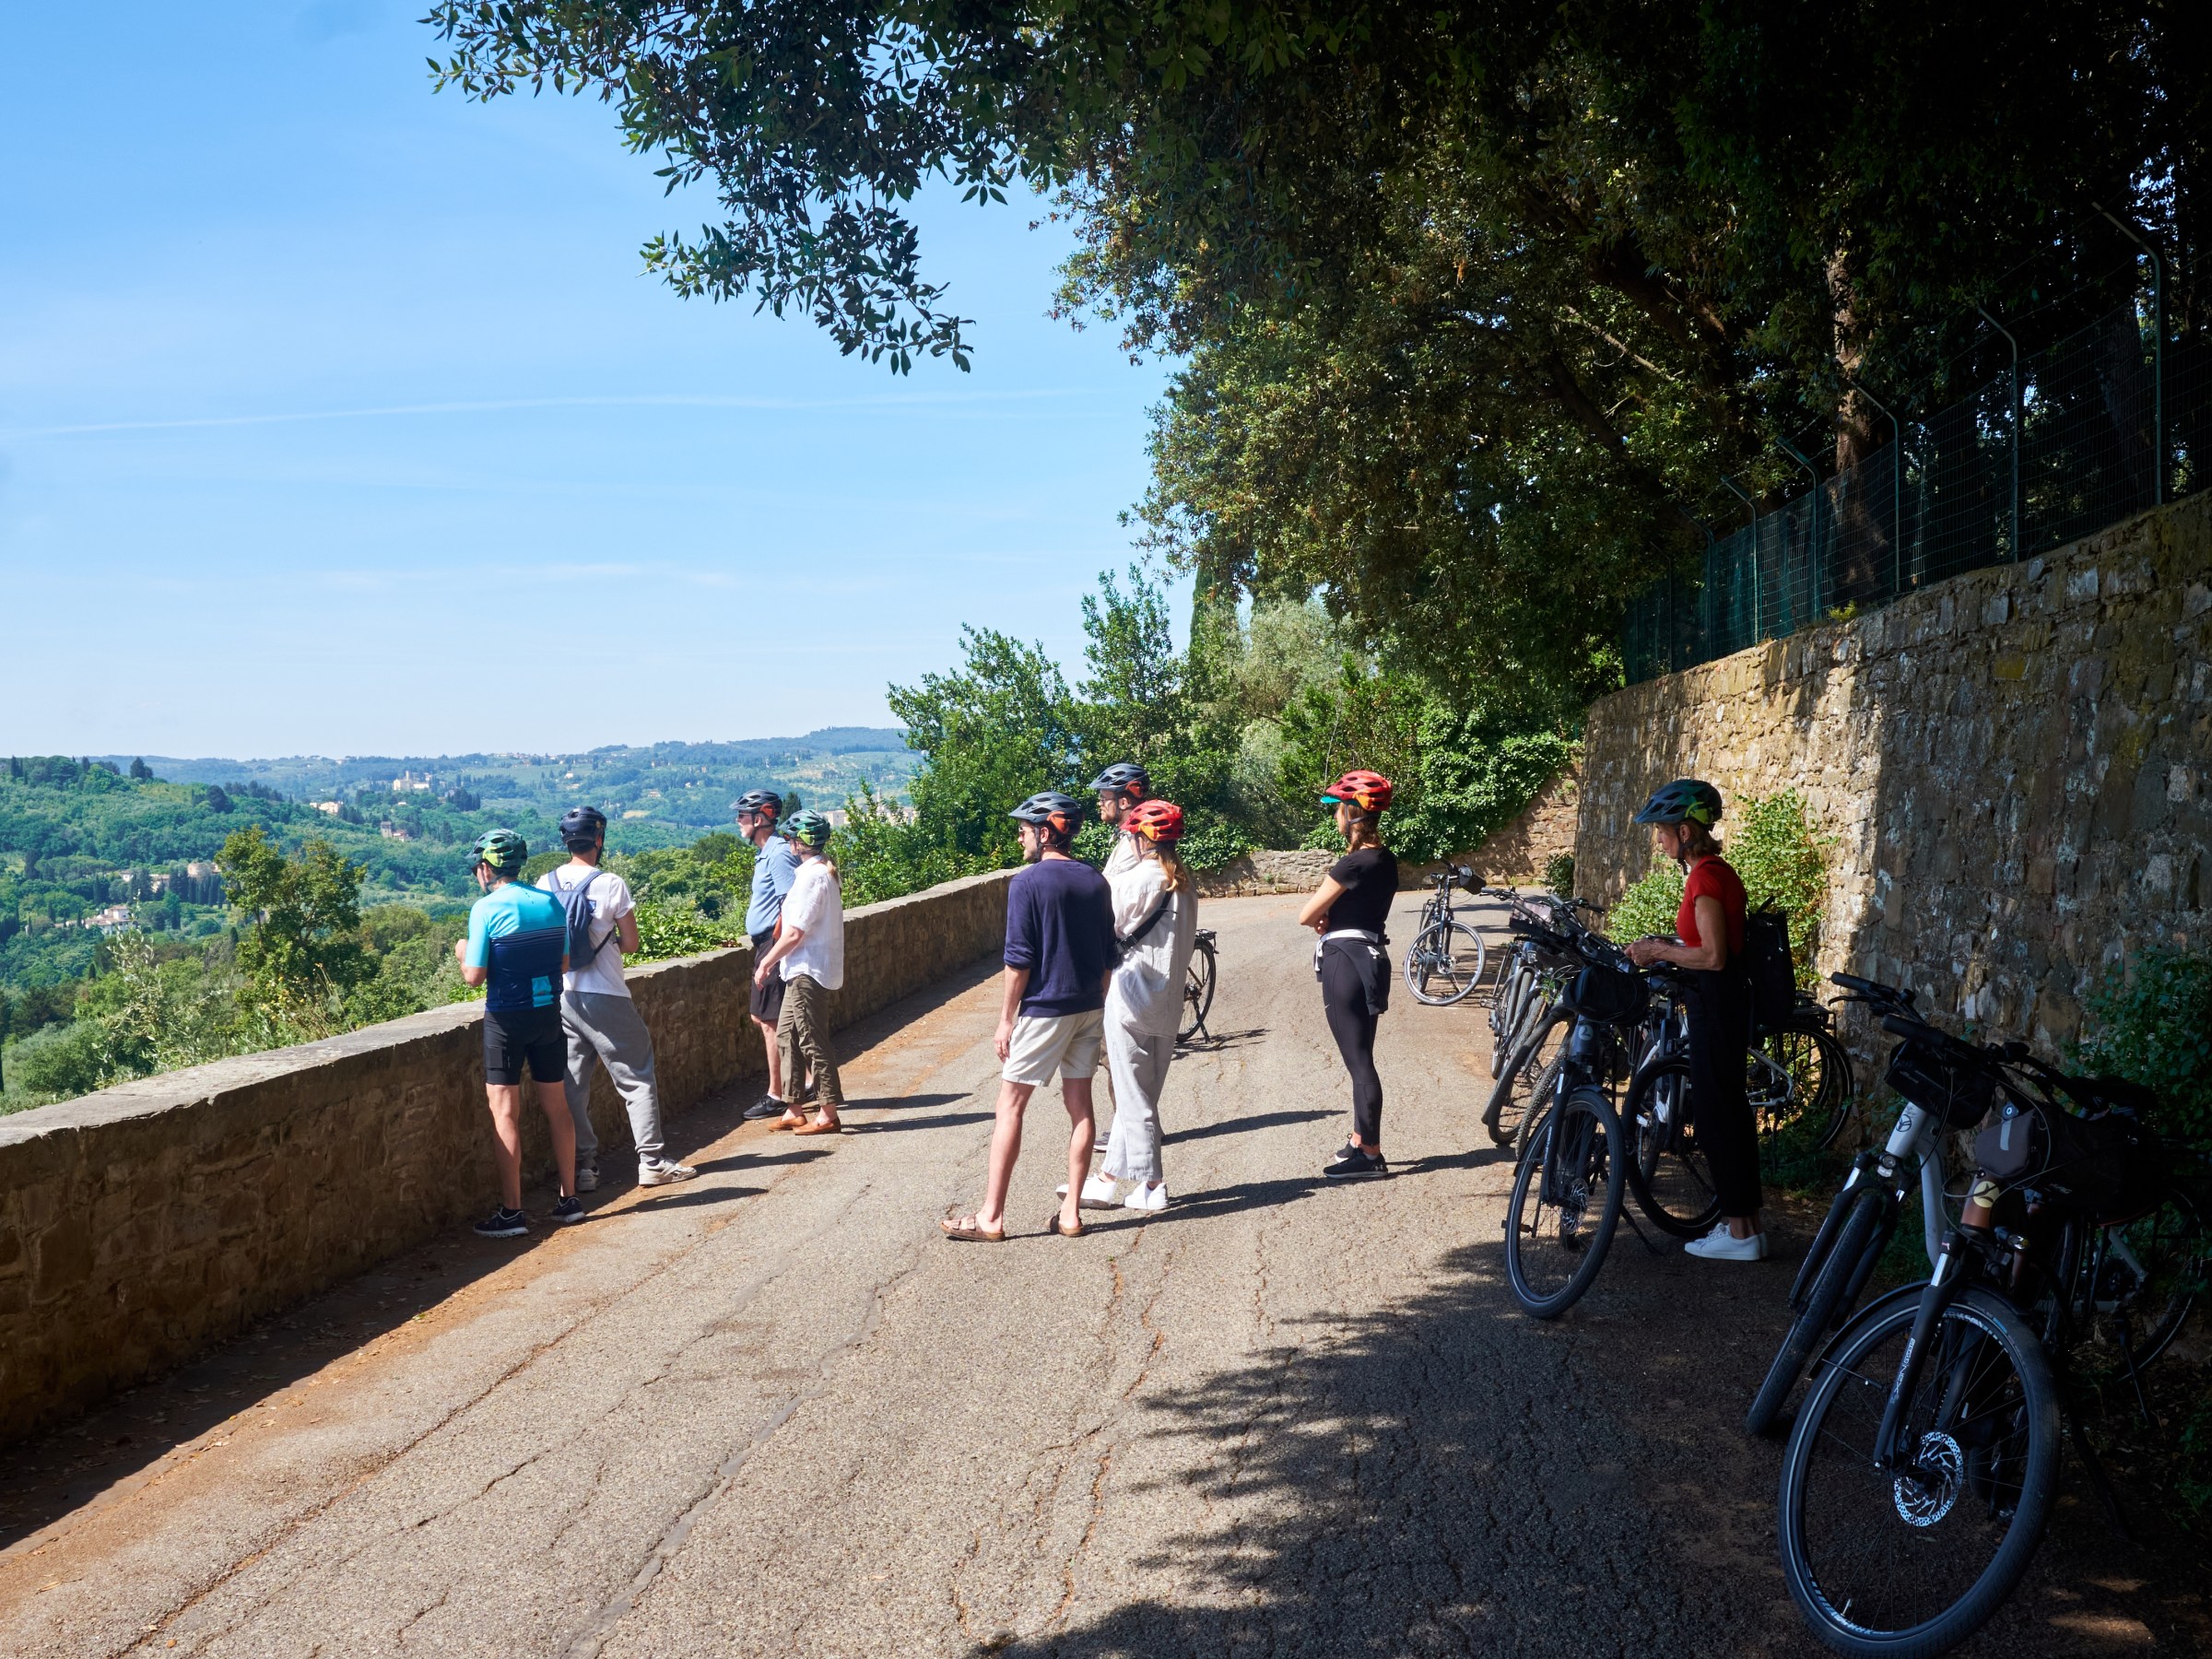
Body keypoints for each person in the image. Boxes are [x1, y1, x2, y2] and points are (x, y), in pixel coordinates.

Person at [942, 793, 1115, 1242]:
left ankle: (991, 1218)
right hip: (1087, 1007)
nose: (1019, 837)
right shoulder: (1096, 881)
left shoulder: (1028, 882)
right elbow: (1107, 957)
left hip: (1044, 1009)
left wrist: (1006, 1020)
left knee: (1010, 1106)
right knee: (1081, 1108)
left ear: (1044, 831)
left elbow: (1019, 961)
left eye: (1023, 829)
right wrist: (1096, 1000)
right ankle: (1072, 1214)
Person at [1622, 779, 1765, 1260]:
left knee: (1717, 1115)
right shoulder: (1714, 872)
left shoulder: (1704, 877)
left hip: (1716, 1004)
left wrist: (1657, 950)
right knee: (1728, 1111)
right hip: (1721, 1003)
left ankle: (1740, 1235)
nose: (1658, 839)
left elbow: (1716, 956)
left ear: (1685, 831)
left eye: (1662, 831)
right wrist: (1672, 950)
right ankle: (1745, 1226)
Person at [538, 806, 697, 1193]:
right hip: (606, 993)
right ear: (598, 839)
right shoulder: (610, 883)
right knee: (637, 1078)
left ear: (565, 841)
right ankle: (652, 1162)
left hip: (564, 996)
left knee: (573, 1084)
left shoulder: (545, 882)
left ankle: (584, 1167)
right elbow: (631, 943)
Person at [454, 829, 582, 1238]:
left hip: (507, 1020)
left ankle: (512, 1212)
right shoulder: (548, 902)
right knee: (558, 1107)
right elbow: (563, 963)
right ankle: (569, 1199)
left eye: (478, 867)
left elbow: (474, 977)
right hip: (548, 1014)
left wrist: (461, 950)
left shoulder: (486, 907)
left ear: (486, 868)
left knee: (504, 1112)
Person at [1087, 799, 1199, 1212]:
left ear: (1139, 839)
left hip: (1131, 999)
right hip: (1168, 1005)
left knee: (1134, 1098)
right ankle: (1106, 1180)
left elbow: (1102, 926)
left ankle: (1154, 1184)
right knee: (1143, 1094)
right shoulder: (1185, 885)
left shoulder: (1138, 880)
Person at [1295, 771, 1399, 1180]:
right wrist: (1333, 919)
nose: (1336, 816)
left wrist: (1324, 920)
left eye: (1339, 809)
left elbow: (1306, 914)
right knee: (1363, 1056)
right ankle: (1361, 1138)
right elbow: (1359, 909)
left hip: (1346, 960)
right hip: (1370, 955)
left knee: (1359, 1063)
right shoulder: (1385, 859)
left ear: (1352, 813)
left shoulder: (1353, 861)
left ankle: (1370, 1155)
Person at [751, 811, 846, 1136]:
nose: (789, 842)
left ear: (798, 842)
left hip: (808, 969)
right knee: (787, 1035)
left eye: (792, 838)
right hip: (800, 968)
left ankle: (828, 1113)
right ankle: (793, 1109)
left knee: (811, 1039)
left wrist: (766, 962)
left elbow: (795, 933)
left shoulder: (811, 877)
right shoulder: (817, 872)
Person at [734, 788, 804, 1120]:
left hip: (771, 944)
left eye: (743, 816)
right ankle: (801, 1084)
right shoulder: (768, 853)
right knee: (765, 1018)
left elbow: (790, 904)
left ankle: (778, 1093)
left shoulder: (777, 854)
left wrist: (771, 953)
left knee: (771, 1022)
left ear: (759, 819)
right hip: (765, 944)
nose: (738, 821)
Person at [1088, 761, 1151, 880]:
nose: (1099, 803)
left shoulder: (1139, 843)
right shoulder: (1131, 837)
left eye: (1103, 799)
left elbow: (1110, 889)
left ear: (1123, 803)